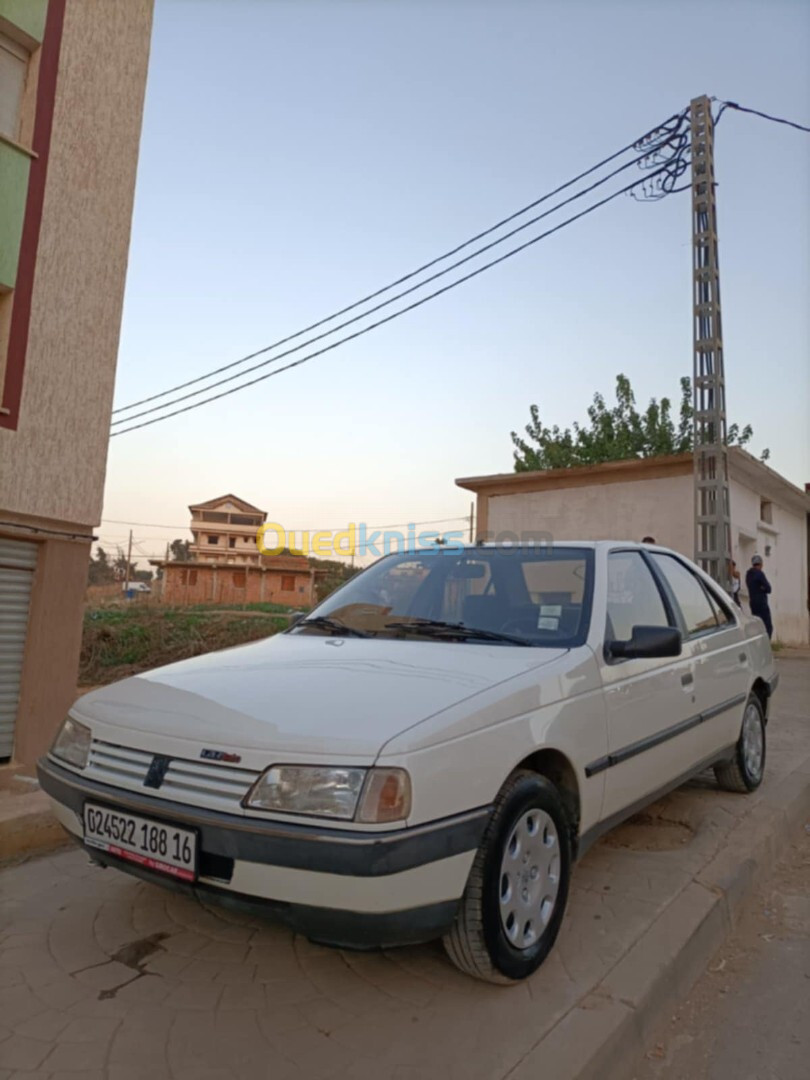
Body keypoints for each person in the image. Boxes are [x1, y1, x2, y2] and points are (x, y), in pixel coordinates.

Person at [745, 554, 773, 638]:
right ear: (760, 564)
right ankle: (766, 645)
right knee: (767, 626)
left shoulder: (748, 575)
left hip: (753, 603)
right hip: (762, 603)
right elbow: (768, 589)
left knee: (757, 626)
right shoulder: (760, 574)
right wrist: (762, 588)